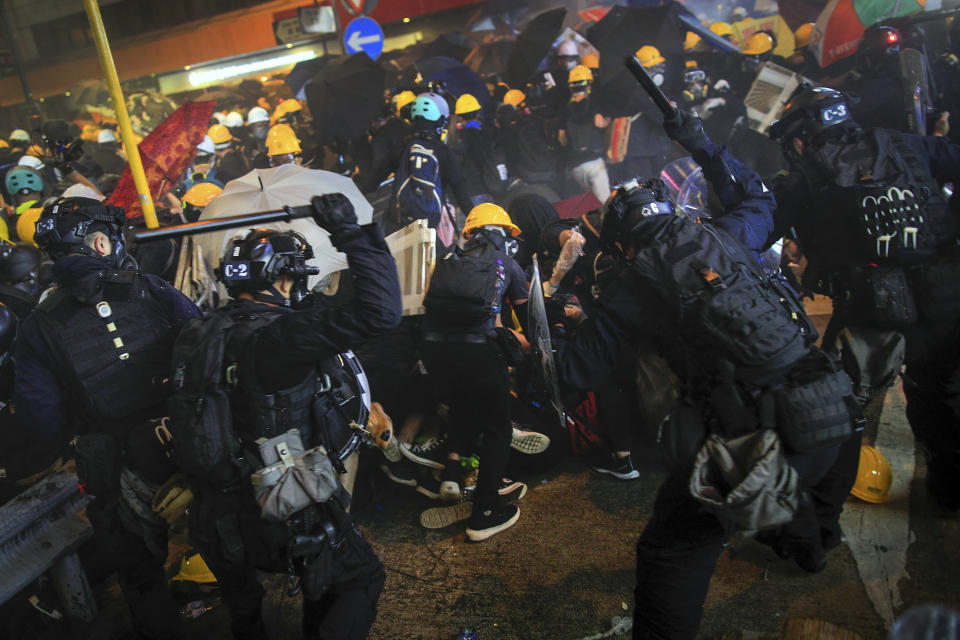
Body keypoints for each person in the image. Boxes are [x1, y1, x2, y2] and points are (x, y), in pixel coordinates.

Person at [553, 110, 860, 638]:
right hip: (830, 407)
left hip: (750, 442)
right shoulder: (729, 234)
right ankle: (811, 550)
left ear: (624, 245)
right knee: (796, 481)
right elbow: (758, 198)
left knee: (669, 551)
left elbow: (575, 372)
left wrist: (551, 334)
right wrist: (699, 142)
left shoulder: (633, 287)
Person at [182, 192, 400, 639]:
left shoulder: (201, 330)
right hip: (285, 507)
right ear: (283, 280)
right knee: (360, 579)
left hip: (217, 509)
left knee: (250, 612)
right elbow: (382, 312)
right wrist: (350, 233)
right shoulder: (282, 337)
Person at [13, 196, 199, 639]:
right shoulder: (153, 288)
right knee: (228, 548)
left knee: (138, 571)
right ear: (100, 242)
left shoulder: (38, 325)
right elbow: (204, 346)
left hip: (117, 466)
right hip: (191, 443)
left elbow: (41, 418)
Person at [769, 84, 960, 511]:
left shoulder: (803, 180)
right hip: (947, 291)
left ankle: (818, 516)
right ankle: (951, 491)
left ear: (801, 135)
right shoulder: (902, 143)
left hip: (873, 306)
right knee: (941, 390)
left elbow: (759, 229)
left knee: (839, 408)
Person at [414, 203, 532, 540]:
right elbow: (528, 319)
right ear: (505, 234)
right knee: (498, 430)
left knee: (463, 408)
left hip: (436, 354)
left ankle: (451, 477)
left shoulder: (447, 261)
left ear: (470, 234)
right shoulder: (506, 263)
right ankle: (484, 514)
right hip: (478, 352)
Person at [392, 93, 473, 235]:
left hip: (399, 224)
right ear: (441, 121)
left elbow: (374, 177)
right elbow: (461, 192)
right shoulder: (444, 152)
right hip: (430, 225)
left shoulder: (403, 147)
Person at [558, 65, 611, 203]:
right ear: (589, 84)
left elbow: (562, 140)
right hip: (594, 164)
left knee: (589, 206)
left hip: (574, 168)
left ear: (571, 87)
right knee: (606, 205)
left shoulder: (564, 110)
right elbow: (601, 124)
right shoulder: (594, 106)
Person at [450, 93, 506, 206]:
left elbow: (458, 151)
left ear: (460, 117)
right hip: (492, 183)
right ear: (477, 114)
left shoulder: (465, 135)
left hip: (474, 188)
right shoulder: (487, 131)